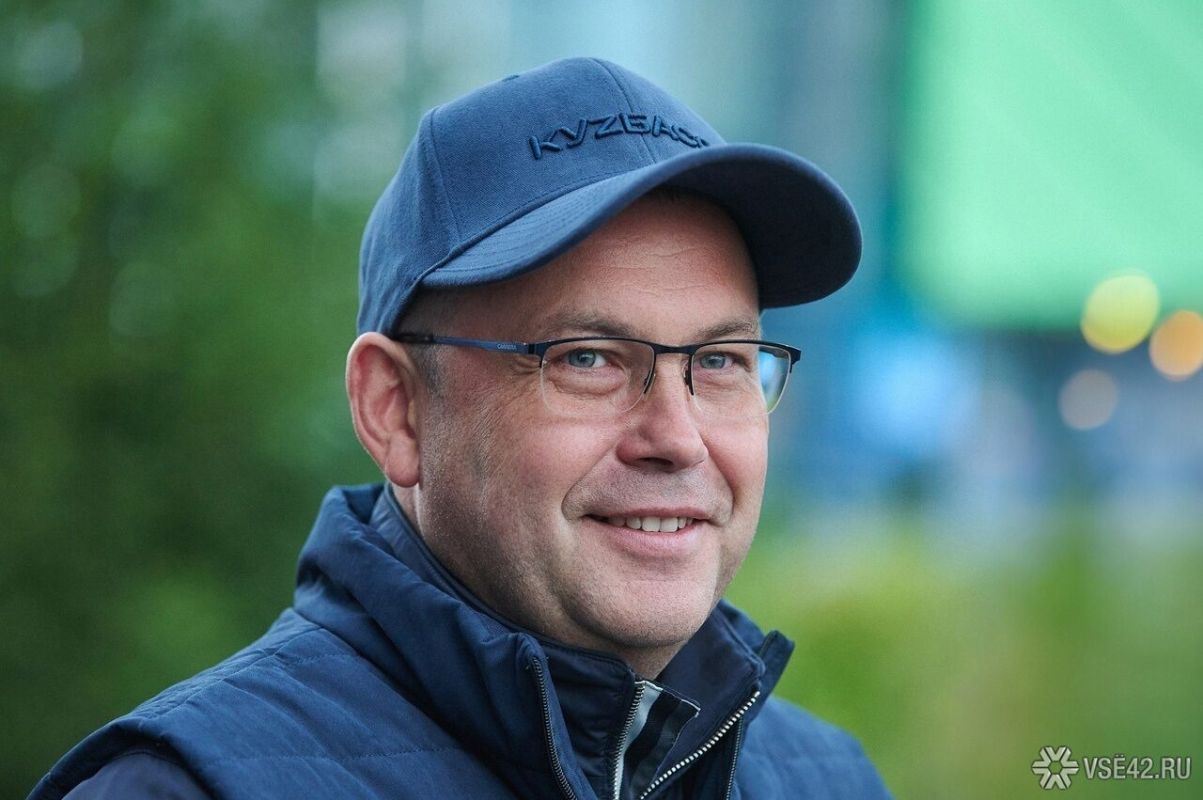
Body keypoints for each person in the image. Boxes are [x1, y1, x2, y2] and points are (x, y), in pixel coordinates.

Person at [32, 57, 890, 799]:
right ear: (395, 410)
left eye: (721, 361)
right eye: (587, 358)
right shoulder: (186, 790)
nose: (676, 437)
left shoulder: (829, 781)